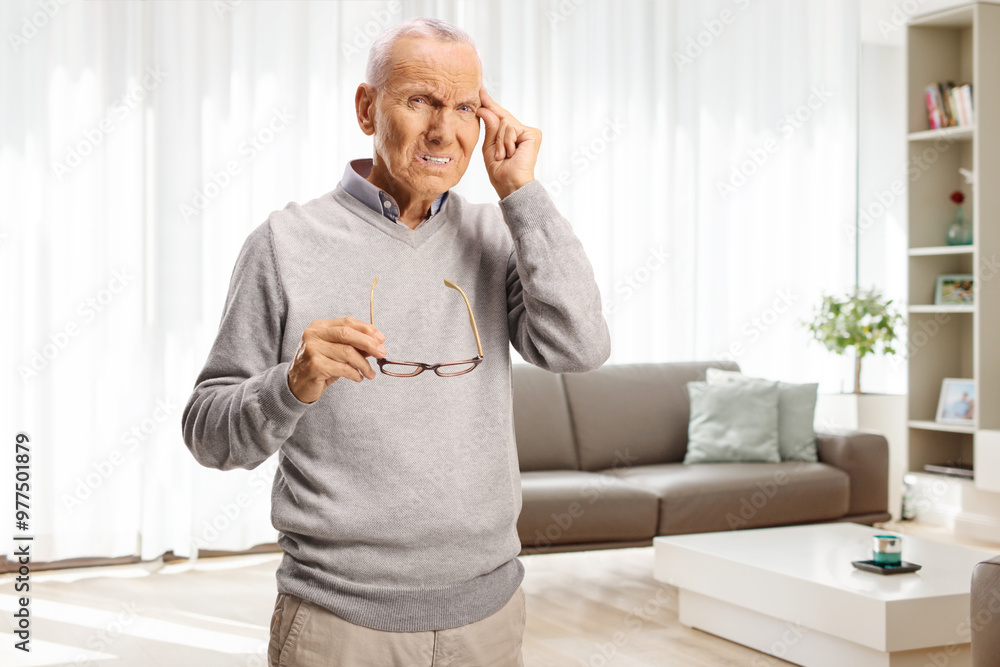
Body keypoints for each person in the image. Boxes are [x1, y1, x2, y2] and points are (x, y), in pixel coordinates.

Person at [182, 16, 610, 667]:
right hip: (339, 621)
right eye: (421, 101)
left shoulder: (500, 237)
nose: (444, 130)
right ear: (366, 107)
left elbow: (580, 345)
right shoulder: (284, 244)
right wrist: (289, 384)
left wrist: (522, 192)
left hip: (489, 615)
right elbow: (207, 432)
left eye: (465, 107)